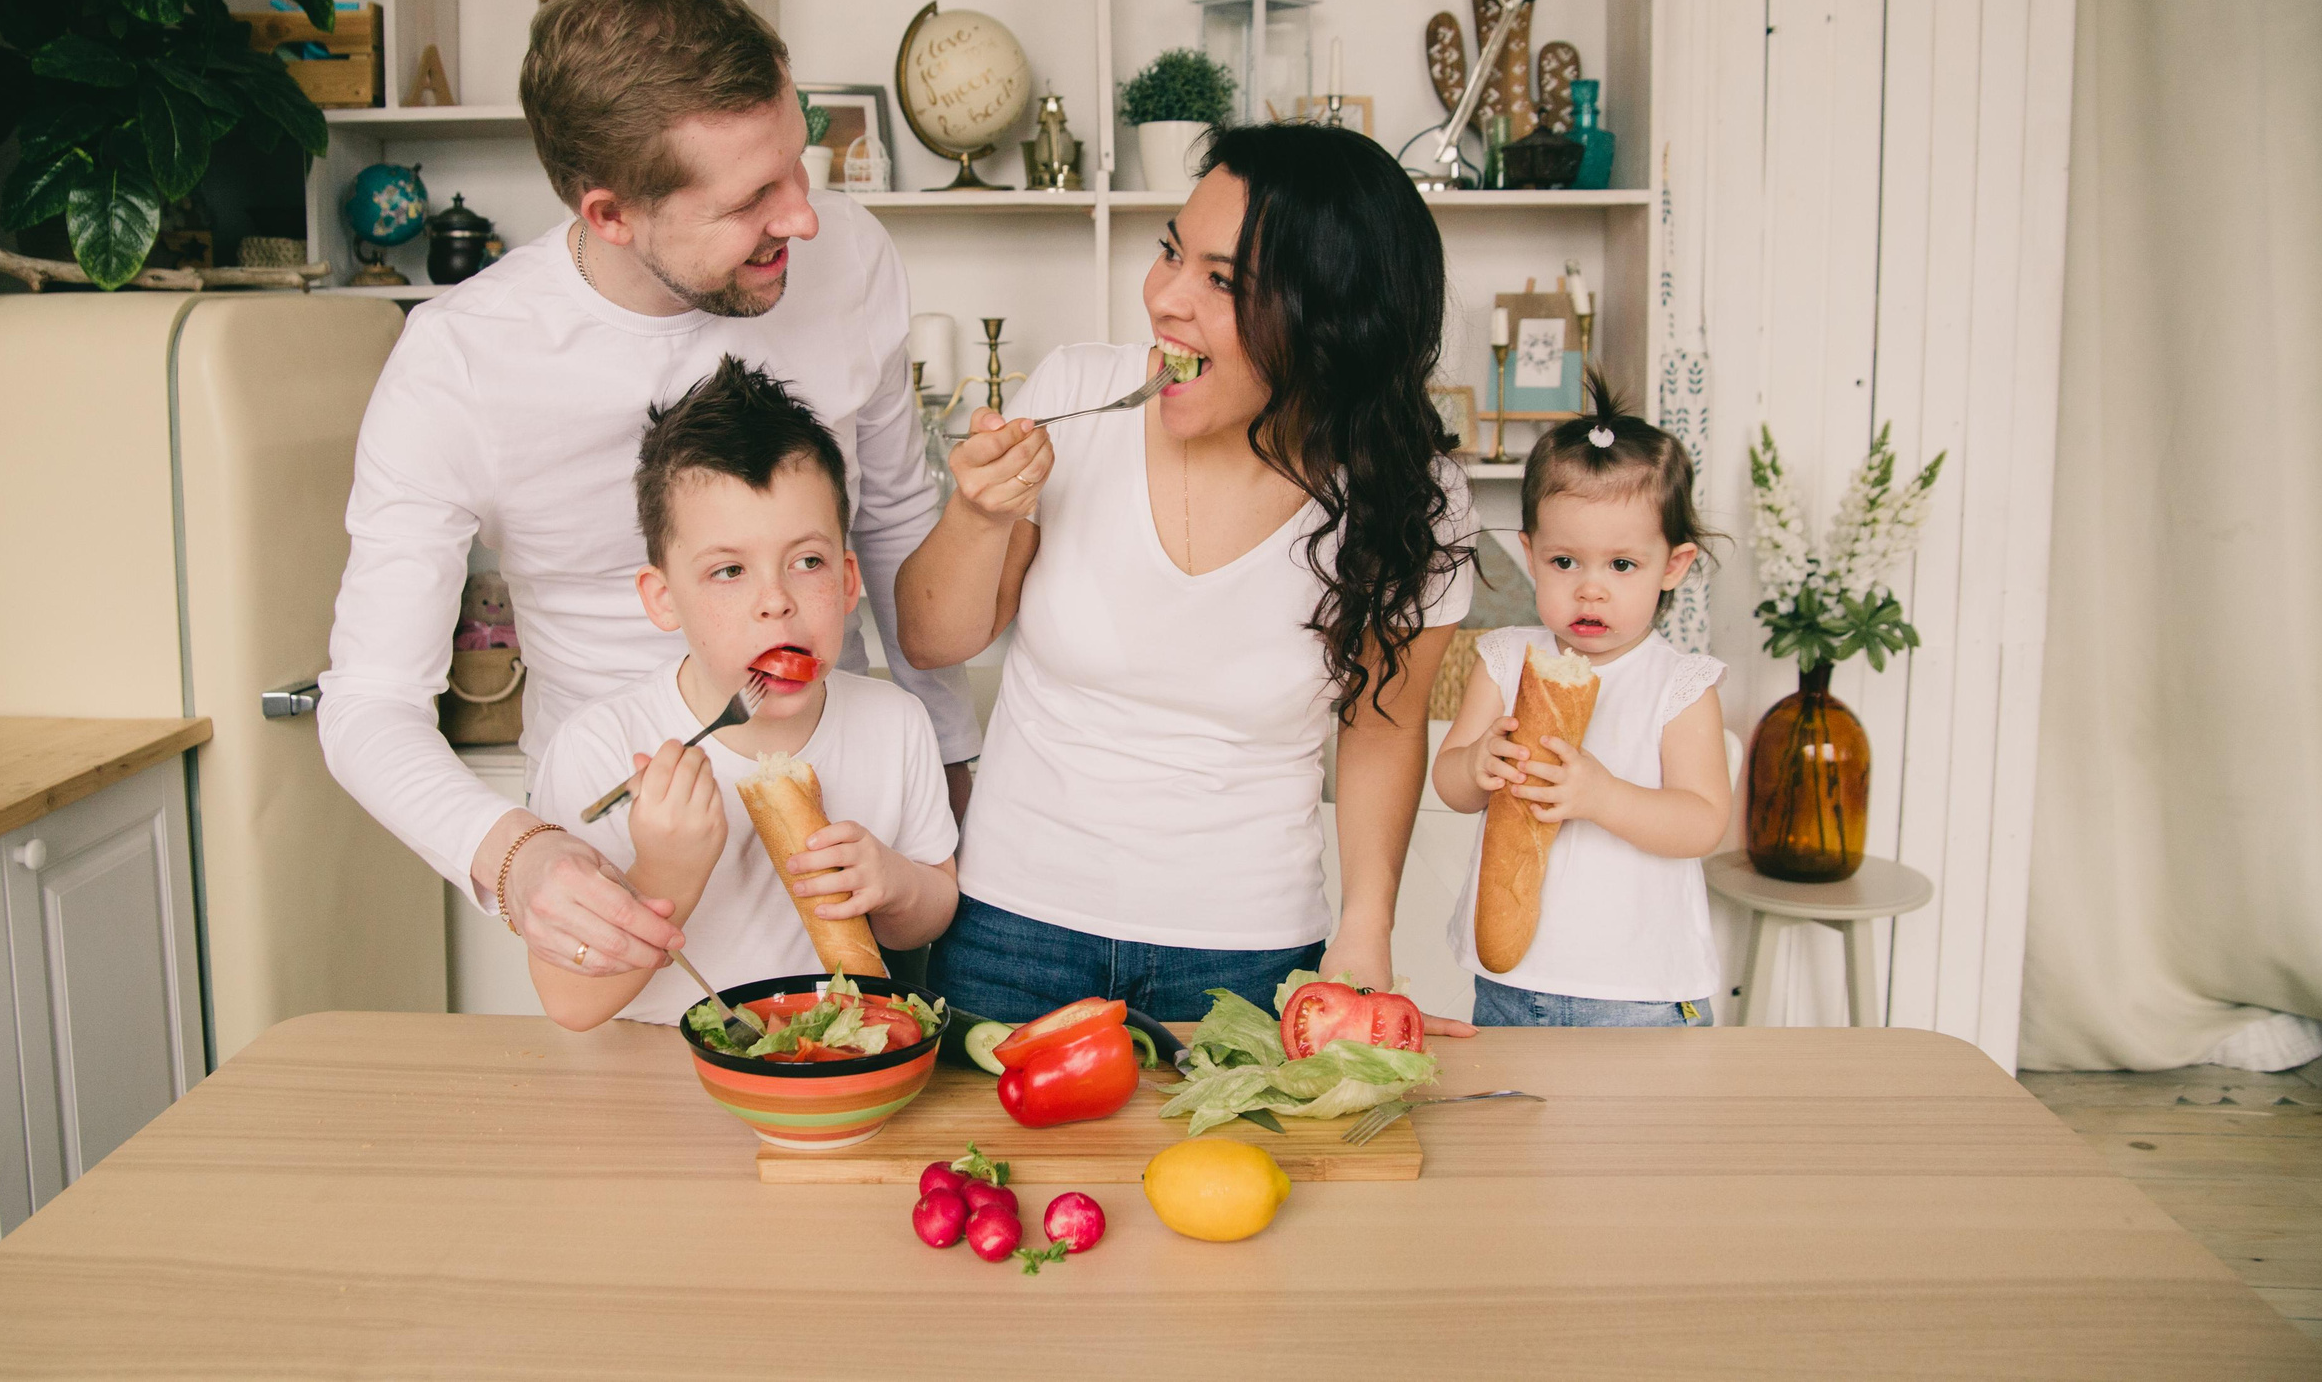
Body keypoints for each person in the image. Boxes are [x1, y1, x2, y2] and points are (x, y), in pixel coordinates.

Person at [317, 0, 975, 987]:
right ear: (611, 213)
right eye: (750, 200)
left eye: (796, 164)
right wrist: (514, 857)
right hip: (621, 864)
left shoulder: (851, 257)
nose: (804, 219)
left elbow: (888, 528)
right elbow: (367, 702)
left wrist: (951, 769)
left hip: (843, 830)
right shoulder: (460, 364)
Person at [897, 122, 1482, 1024]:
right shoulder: (1073, 396)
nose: (1166, 298)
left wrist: (1366, 929)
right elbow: (932, 638)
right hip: (1013, 928)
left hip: (1247, 953)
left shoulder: (1412, 498)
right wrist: (977, 513)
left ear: (1330, 321)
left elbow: (1383, 725)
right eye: (1172, 251)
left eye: (1223, 281)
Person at [522, 359, 959, 1030]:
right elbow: (569, 1002)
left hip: (826, 1065)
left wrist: (893, 883)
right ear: (663, 598)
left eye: (807, 561)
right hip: (651, 1070)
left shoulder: (894, 723)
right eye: (728, 571)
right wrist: (666, 870)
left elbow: (933, 908)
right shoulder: (600, 746)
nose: (776, 601)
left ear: (848, 581)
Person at [1429, 375, 1732, 1027]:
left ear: (1673, 566)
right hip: (1510, 983)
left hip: (1640, 994)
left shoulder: (1679, 685)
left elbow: (1703, 822)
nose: (1590, 590)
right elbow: (1450, 782)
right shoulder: (1507, 660)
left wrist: (1601, 796)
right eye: (1565, 562)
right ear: (1530, 554)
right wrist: (1477, 763)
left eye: (1621, 565)